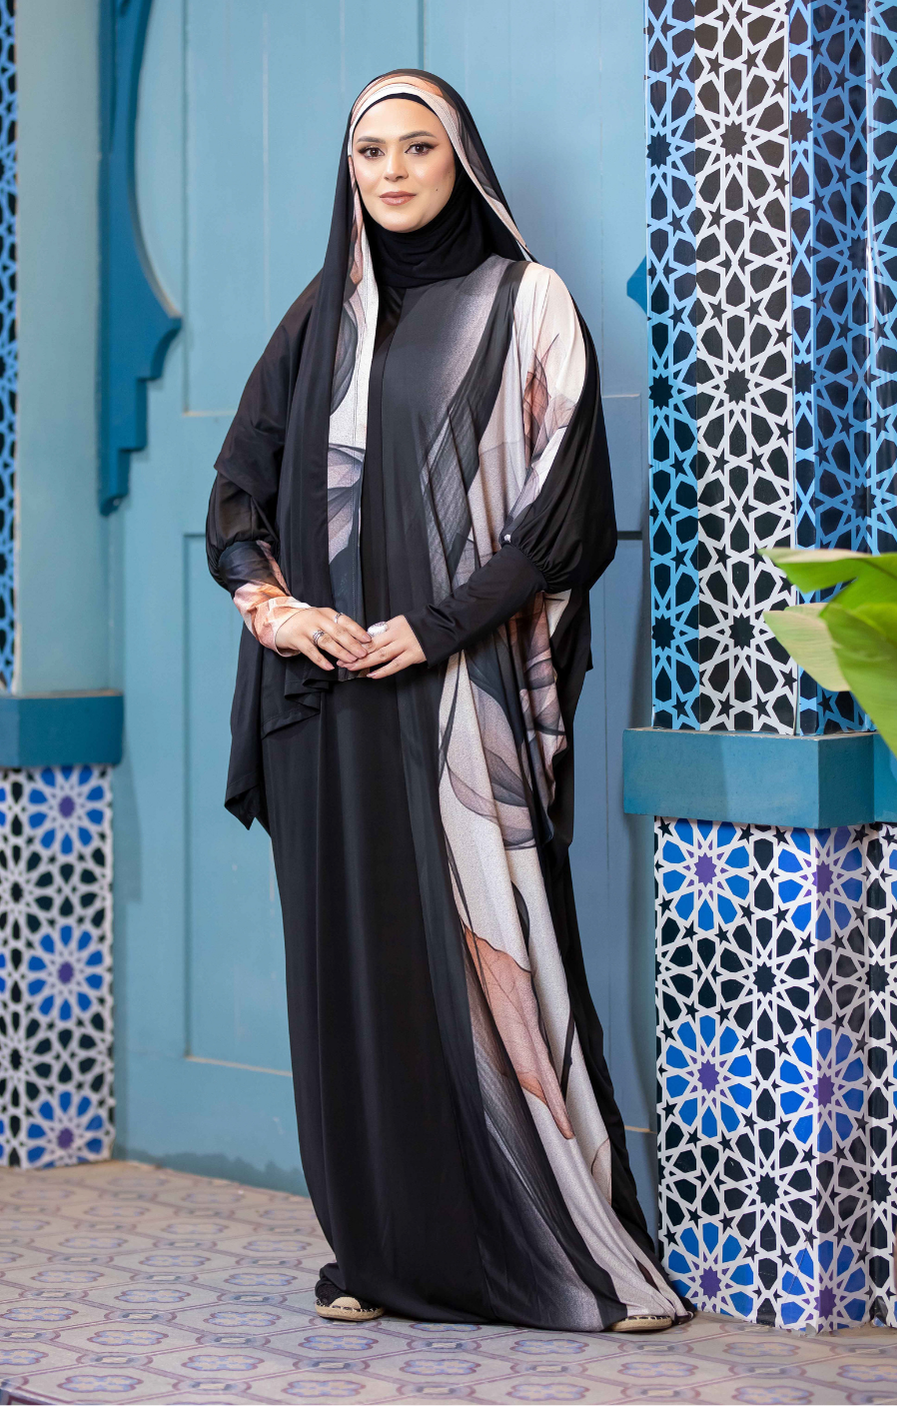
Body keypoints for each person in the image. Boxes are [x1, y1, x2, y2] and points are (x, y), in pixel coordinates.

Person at [206, 69, 688, 1334]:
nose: (392, 171)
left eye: (417, 147)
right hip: (327, 705)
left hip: (461, 693)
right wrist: (273, 606)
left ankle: (574, 1256)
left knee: (496, 965)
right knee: (360, 976)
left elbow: (564, 520)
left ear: (459, 157)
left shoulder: (529, 304)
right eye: (369, 152)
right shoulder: (321, 318)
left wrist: (427, 630)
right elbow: (238, 487)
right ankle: (382, 1250)